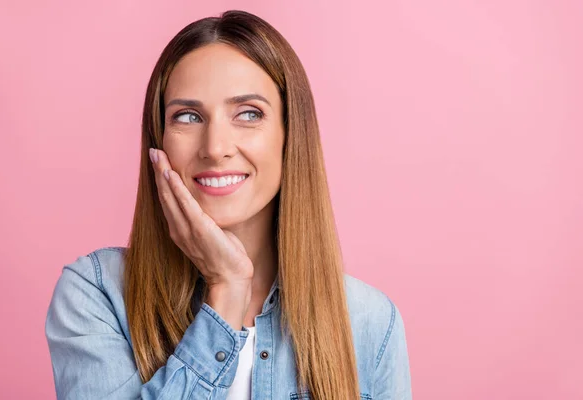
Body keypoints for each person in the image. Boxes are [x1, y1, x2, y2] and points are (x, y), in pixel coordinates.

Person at [45, 9, 412, 400]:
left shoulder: (371, 322)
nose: (215, 148)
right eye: (187, 116)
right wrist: (226, 290)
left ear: (291, 136)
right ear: (159, 141)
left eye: (248, 114)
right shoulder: (97, 294)